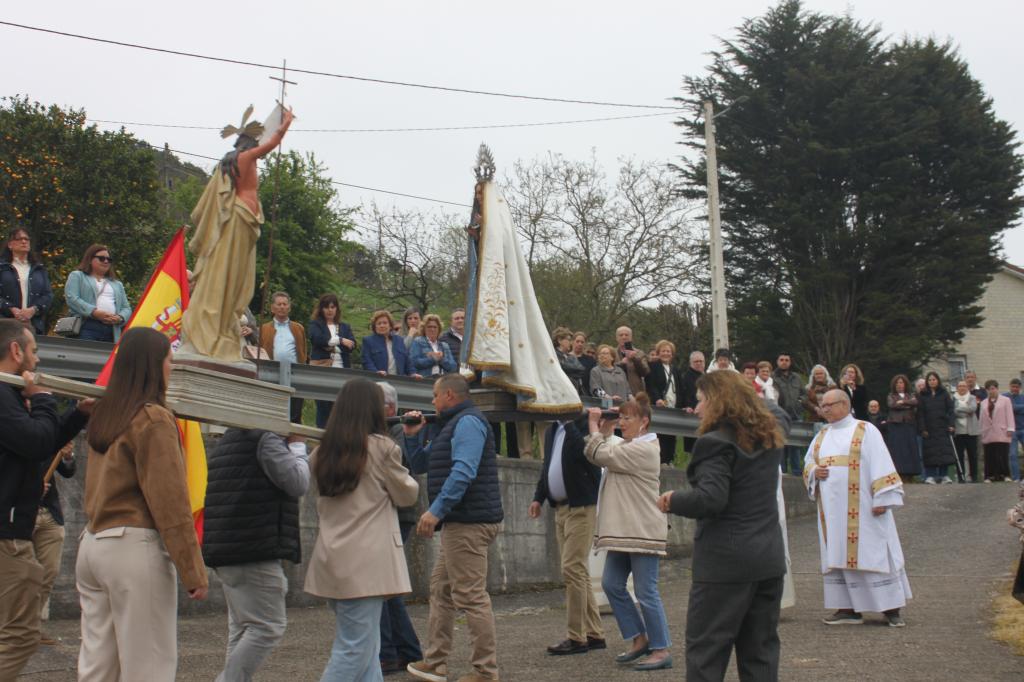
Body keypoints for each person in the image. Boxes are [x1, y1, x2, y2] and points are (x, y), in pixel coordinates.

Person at [77, 327, 208, 680]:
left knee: (97, 667)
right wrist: (192, 569)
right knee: (149, 666)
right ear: (155, 365)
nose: (171, 367)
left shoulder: (105, 413)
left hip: (92, 545)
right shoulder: (153, 418)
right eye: (169, 359)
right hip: (133, 548)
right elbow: (170, 502)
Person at [657, 370, 788, 681]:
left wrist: (673, 499)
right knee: (761, 653)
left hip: (725, 565)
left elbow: (711, 500)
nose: (698, 409)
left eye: (702, 401)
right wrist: (746, 395)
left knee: (706, 653)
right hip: (768, 559)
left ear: (718, 403)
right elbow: (778, 410)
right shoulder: (772, 435)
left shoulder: (714, 444)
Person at [305, 379, 419, 681]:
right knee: (354, 650)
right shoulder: (383, 449)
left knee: (368, 649)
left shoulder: (320, 453)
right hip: (367, 565)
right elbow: (408, 494)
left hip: (333, 559)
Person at [0, 320, 90, 679]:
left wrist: (77, 416)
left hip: (12, 531)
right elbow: (36, 441)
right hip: (6, 538)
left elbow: (40, 443)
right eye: (34, 350)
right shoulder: (3, 395)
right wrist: (43, 397)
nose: (37, 360)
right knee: (21, 635)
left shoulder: (10, 397)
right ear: (16, 351)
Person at [403, 374, 504, 682]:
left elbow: (464, 470)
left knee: (471, 596)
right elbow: (420, 464)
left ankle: (485, 672)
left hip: (468, 522)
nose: (431, 402)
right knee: (442, 590)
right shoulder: (449, 424)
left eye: (434, 396)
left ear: (448, 395)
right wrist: (411, 435)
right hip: (461, 521)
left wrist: (436, 510)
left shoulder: (468, 423)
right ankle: (435, 662)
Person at [179, 105, 294, 362]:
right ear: (248, 143)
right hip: (240, 219)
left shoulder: (237, 161)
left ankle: (224, 323)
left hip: (245, 222)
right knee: (227, 271)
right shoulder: (245, 158)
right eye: (255, 141)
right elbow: (270, 145)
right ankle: (214, 324)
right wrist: (284, 126)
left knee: (236, 274)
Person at [202, 424, 309, 682]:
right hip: (254, 549)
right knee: (267, 626)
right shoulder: (265, 438)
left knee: (240, 628)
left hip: (226, 549)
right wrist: (297, 447)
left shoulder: (229, 438)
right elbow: (298, 481)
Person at [804, 389, 911, 628]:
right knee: (838, 554)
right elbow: (809, 461)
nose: (825, 409)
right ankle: (847, 608)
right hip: (832, 513)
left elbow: (881, 462)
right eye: (823, 405)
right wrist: (813, 472)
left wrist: (883, 498)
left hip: (864, 509)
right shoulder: (821, 435)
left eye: (829, 405)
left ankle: (890, 608)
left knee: (874, 552)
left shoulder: (865, 430)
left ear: (844, 404)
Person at [583, 395, 671, 671]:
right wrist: (606, 431)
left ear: (644, 421)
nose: (622, 422)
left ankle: (661, 648)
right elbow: (609, 449)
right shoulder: (629, 446)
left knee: (646, 591)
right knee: (611, 584)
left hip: (642, 530)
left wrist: (594, 427)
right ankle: (639, 638)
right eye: (620, 417)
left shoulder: (646, 449)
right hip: (625, 530)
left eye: (627, 418)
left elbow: (599, 455)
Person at [528, 415, 605, 657]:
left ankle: (576, 636)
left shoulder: (582, 427)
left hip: (582, 506)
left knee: (572, 568)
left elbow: (587, 457)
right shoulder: (552, 430)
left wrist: (570, 423)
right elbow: (548, 465)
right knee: (578, 570)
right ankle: (595, 633)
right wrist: (538, 497)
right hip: (560, 508)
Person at [380, 382, 425, 675]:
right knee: (388, 588)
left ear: (390, 408)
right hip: (394, 514)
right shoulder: (386, 431)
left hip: (398, 514)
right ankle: (404, 651)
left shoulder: (396, 431)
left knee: (383, 587)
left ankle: (390, 652)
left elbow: (406, 466)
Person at [33, 442, 75, 645]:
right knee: (15, 574)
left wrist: (67, 457)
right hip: (19, 514)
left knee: (48, 571)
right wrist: (30, 489)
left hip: (49, 515)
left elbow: (68, 471)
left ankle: (31, 628)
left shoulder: (48, 434)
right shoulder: (10, 431)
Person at [64, 244, 132, 342]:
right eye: (101, 258)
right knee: (85, 356)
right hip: (86, 326)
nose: (106, 261)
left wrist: (120, 317)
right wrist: (94, 312)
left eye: (109, 259)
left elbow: (126, 308)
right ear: (90, 259)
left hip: (112, 330)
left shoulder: (117, 284)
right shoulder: (78, 276)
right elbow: (72, 298)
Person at [259, 292, 308, 424]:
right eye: (278, 304)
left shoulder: (298, 328)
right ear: (272, 308)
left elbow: (303, 352)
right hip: (272, 374)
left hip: (294, 374)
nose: (281, 307)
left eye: (284, 304)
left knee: (294, 411)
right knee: (272, 410)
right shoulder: (264, 329)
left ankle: (293, 441)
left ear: (289, 307)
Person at [308, 293, 357, 427]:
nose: (330, 310)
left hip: (342, 371)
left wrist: (333, 343)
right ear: (321, 309)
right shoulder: (315, 324)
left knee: (341, 407)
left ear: (337, 309)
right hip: (323, 370)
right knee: (323, 406)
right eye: (326, 307)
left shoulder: (344, 327)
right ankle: (321, 438)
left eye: (333, 307)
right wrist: (340, 340)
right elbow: (317, 339)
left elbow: (352, 345)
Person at [0, 226, 53, 335]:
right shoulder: (2, 268)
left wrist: (33, 310)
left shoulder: (39, 269)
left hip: (33, 325)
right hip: (5, 324)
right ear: (10, 245)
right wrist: (11, 309)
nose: (24, 241)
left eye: (26, 239)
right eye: (19, 239)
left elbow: (48, 296)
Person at [645, 339, 683, 465]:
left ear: (672, 354)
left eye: (668, 351)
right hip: (660, 406)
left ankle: (670, 460)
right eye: (663, 351)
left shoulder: (675, 370)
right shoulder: (653, 367)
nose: (666, 353)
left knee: (671, 434)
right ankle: (659, 461)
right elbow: (651, 385)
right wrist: (657, 399)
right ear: (658, 353)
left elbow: (680, 388)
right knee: (660, 435)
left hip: (673, 406)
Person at [917, 371, 956, 484]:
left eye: (934, 379)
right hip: (929, 428)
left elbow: (950, 410)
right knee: (930, 452)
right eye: (930, 380)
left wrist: (951, 424)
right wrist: (922, 428)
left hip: (942, 427)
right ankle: (930, 475)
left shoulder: (944, 394)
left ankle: (944, 475)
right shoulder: (923, 395)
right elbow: (920, 413)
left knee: (943, 452)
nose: (932, 381)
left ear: (938, 380)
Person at [885, 375, 921, 482]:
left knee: (909, 449)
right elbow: (892, 405)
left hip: (909, 424)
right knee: (898, 450)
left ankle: (910, 473)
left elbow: (915, 402)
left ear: (905, 384)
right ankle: (899, 472)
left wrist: (903, 402)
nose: (899, 385)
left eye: (901, 382)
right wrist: (907, 404)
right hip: (896, 425)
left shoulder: (911, 395)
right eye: (897, 383)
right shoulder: (891, 395)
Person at [362, 310, 418, 378]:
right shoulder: (368, 341)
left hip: (399, 380)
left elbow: (407, 361)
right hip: (378, 379)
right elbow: (367, 362)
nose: (382, 326)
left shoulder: (399, 340)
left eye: (385, 323)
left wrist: (413, 373)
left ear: (390, 326)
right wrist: (375, 372)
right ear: (375, 327)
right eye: (379, 323)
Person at [773, 354, 804, 475]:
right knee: (780, 445)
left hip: (795, 415)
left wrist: (800, 402)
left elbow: (804, 393)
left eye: (787, 360)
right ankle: (783, 471)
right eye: (781, 360)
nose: (784, 362)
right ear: (777, 361)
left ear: (790, 362)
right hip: (779, 416)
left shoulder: (796, 377)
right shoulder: (773, 377)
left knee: (796, 445)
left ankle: (796, 471)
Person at [980, 380, 1015, 482]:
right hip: (988, 432)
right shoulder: (983, 403)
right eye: (989, 389)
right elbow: (982, 418)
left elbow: (1009, 415)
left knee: (1002, 454)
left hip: (1002, 431)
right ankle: (989, 476)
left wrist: (1010, 428)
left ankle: (1005, 475)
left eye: (993, 388)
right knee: (989, 454)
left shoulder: (1006, 400)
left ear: (997, 389)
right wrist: (982, 431)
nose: (991, 391)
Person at [952, 381, 980, 483]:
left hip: (971, 431)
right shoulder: (953, 398)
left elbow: (973, 408)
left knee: (972, 454)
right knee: (959, 456)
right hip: (958, 431)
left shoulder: (972, 397)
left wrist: (960, 409)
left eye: (964, 386)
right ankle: (961, 477)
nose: (962, 388)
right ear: (957, 388)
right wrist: (965, 411)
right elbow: (953, 411)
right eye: (960, 386)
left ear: (967, 387)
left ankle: (974, 476)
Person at [680, 350, 706, 454]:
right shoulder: (686, 377)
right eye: (696, 361)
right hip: (692, 413)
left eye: (701, 361)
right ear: (691, 363)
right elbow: (684, 395)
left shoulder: (706, 375)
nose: (699, 363)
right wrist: (687, 406)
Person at [615, 326, 650, 396]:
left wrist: (635, 359)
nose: (624, 337)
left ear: (631, 338)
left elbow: (645, 372)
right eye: (621, 335)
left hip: (635, 393)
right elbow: (605, 368)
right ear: (616, 338)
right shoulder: (611, 352)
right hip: (616, 392)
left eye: (626, 335)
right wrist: (621, 363)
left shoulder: (639, 353)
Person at [553, 326, 586, 397]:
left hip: (574, 393)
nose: (571, 343)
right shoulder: (553, 356)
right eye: (568, 340)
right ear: (559, 340)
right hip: (560, 393)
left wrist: (568, 370)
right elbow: (560, 371)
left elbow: (581, 370)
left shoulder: (572, 357)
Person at [1003, 378, 1024, 481]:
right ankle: (1016, 478)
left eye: (1017, 387)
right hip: (1011, 430)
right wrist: (1019, 408)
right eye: (1013, 386)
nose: (1015, 389)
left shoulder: (1022, 397)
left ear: (1020, 388)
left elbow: (1012, 408)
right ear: (1010, 386)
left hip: (1023, 428)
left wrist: (1014, 407)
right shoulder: (1004, 397)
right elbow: (1008, 408)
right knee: (1013, 454)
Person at [572, 332, 597, 397]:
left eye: (582, 342)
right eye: (577, 341)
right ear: (572, 342)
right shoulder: (564, 358)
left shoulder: (590, 360)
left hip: (585, 394)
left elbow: (594, 381)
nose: (580, 344)